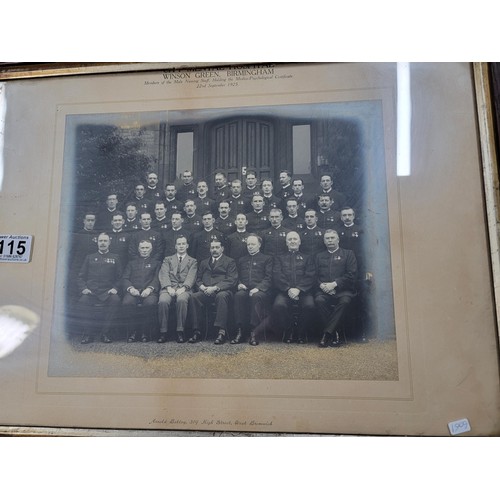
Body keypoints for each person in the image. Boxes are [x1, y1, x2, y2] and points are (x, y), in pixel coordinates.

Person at [266, 231, 315, 343]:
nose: (292, 241)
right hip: (285, 291)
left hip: (303, 291)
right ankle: (289, 330)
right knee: (278, 305)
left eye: (295, 239)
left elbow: (310, 275)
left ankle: (301, 332)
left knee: (309, 306)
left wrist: (298, 289)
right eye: (290, 239)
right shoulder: (279, 258)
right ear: (286, 243)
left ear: (300, 242)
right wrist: (288, 289)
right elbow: (277, 275)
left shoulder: (308, 258)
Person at [188, 239, 238, 344]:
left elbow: (232, 280)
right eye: (212, 248)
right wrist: (202, 287)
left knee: (221, 296)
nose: (214, 250)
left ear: (222, 249)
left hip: (223, 291)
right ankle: (197, 331)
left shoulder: (230, 261)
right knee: (194, 297)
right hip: (206, 291)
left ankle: (221, 331)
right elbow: (198, 279)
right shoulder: (204, 262)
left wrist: (215, 288)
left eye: (217, 247)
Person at [76, 233, 123, 344]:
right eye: (100, 241)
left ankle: (105, 333)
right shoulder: (90, 257)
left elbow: (120, 277)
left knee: (115, 300)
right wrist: (84, 288)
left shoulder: (115, 258)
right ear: (97, 242)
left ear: (109, 243)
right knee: (82, 301)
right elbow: (80, 276)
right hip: (92, 292)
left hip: (107, 292)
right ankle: (88, 334)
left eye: (105, 241)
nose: (103, 243)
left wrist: (115, 288)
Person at [314, 229, 357, 347]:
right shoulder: (319, 256)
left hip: (343, 290)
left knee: (345, 301)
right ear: (324, 241)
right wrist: (322, 285)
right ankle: (335, 332)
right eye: (327, 238)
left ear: (338, 239)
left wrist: (334, 284)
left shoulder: (348, 254)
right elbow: (314, 275)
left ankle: (327, 334)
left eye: (332, 238)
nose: (330, 240)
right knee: (319, 301)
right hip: (323, 290)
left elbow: (351, 274)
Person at [233, 234, 273, 346]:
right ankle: (240, 331)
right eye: (248, 244)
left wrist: (258, 288)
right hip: (245, 289)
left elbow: (269, 278)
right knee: (238, 295)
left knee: (256, 297)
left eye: (253, 244)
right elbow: (237, 276)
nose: (250, 246)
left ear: (259, 245)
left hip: (261, 291)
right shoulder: (242, 260)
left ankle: (253, 332)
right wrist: (240, 284)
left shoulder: (267, 258)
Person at [158, 236, 197, 343]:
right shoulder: (167, 259)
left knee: (181, 300)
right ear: (175, 246)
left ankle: (180, 331)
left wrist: (184, 288)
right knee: (163, 301)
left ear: (187, 246)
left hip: (185, 288)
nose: (181, 246)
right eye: (179, 244)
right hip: (169, 287)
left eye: (183, 244)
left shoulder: (193, 261)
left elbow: (191, 276)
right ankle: (163, 332)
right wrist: (168, 287)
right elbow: (164, 274)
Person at [122, 240, 161, 343]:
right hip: (134, 291)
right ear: (138, 250)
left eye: (147, 248)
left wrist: (150, 289)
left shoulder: (156, 263)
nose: (144, 250)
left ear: (151, 249)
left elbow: (157, 278)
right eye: (142, 248)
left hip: (149, 292)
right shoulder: (131, 263)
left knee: (150, 303)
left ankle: (145, 333)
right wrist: (131, 288)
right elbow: (125, 278)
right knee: (127, 303)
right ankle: (132, 333)